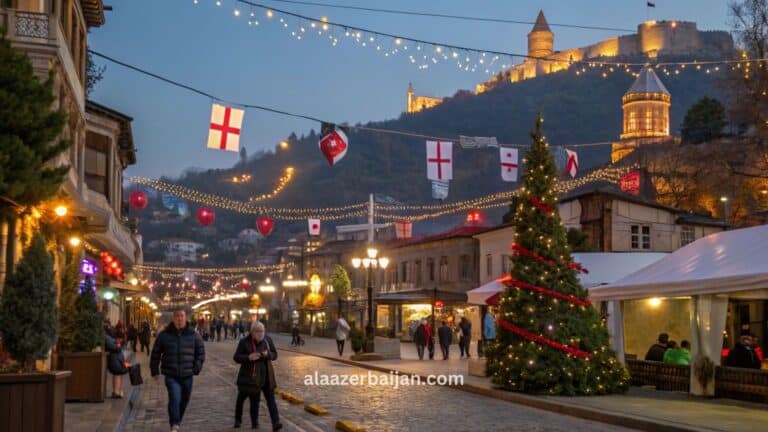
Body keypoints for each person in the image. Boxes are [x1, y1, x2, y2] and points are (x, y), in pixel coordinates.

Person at [150, 308, 206, 432]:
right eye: (177, 316)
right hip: (171, 374)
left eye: (182, 316)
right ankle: (174, 424)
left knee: (184, 400)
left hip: (187, 374)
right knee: (174, 397)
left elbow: (200, 353)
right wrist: (154, 370)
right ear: (173, 318)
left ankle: (177, 421)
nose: (179, 319)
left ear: (186, 318)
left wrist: (196, 367)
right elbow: (156, 353)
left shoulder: (193, 335)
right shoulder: (164, 335)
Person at [233, 321, 282, 431]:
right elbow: (236, 357)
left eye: (262, 331)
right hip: (251, 377)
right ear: (252, 332)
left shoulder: (267, 340)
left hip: (267, 376)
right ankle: (243, 420)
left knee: (271, 400)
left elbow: (274, 354)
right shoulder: (244, 342)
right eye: (258, 331)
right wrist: (248, 357)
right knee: (249, 400)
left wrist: (268, 354)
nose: (261, 333)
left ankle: (276, 422)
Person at [105, 325, 129, 398]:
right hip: (115, 359)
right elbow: (116, 348)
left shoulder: (110, 338)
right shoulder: (108, 338)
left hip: (118, 359)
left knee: (119, 374)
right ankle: (116, 392)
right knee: (117, 374)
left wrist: (118, 343)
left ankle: (118, 391)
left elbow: (119, 347)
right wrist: (118, 343)